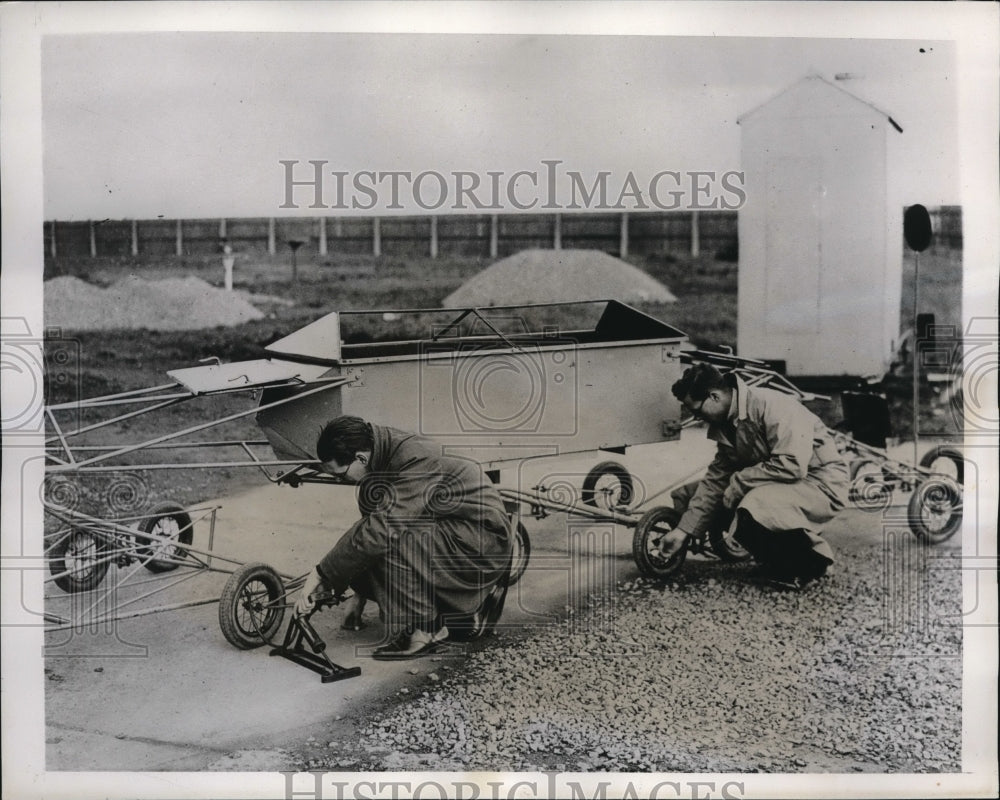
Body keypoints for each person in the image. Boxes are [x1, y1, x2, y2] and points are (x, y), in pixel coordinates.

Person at [293, 416, 512, 659]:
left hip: (481, 541)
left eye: (340, 474)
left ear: (361, 458)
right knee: (367, 544)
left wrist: (321, 572)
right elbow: (369, 532)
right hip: (451, 533)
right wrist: (355, 593)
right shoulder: (380, 454)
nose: (338, 479)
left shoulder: (416, 457)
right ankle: (460, 610)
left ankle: (427, 629)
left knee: (390, 540)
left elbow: (383, 531)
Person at [658, 363, 849, 589]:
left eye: (698, 411)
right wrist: (683, 530)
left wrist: (739, 482)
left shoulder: (773, 406)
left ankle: (809, 566)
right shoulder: (727, 422)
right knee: (691, 494)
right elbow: (716, 479)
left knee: (754, 504)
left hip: (821, 483)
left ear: (714, 396)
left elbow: (792, 464)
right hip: (784, 483)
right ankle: (774, 561)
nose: (698, 418)